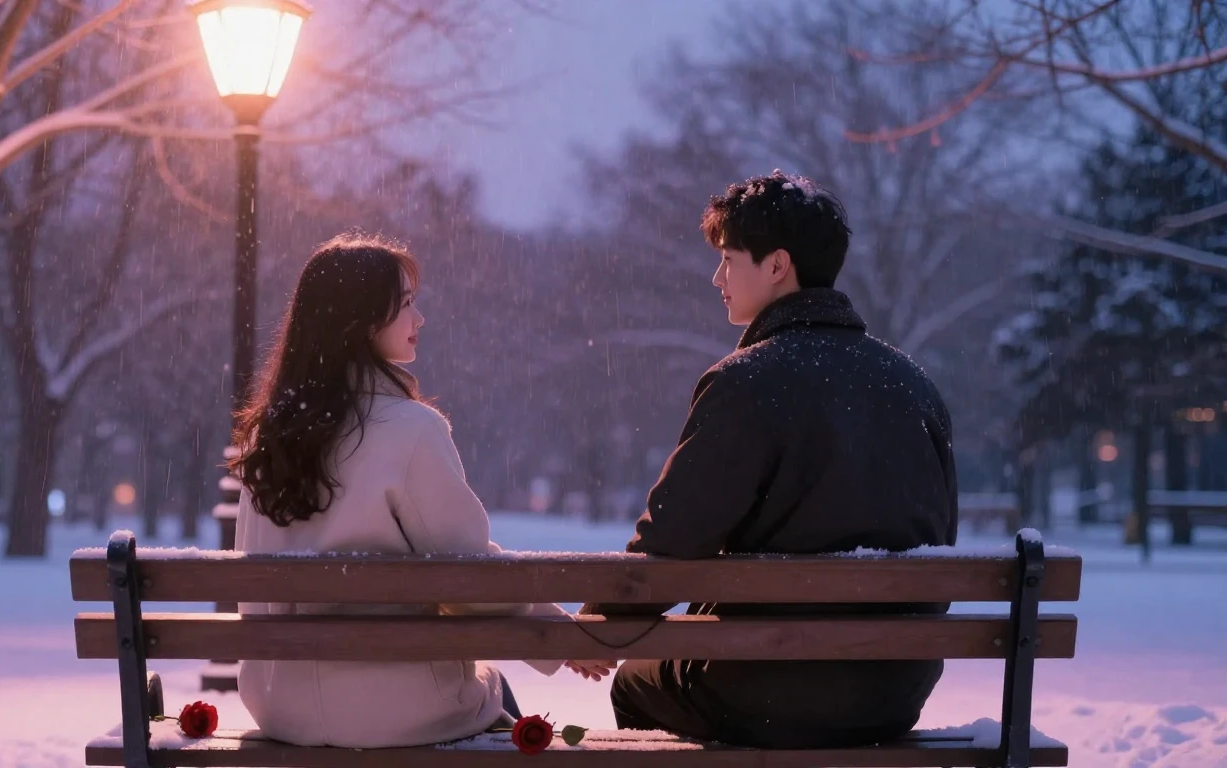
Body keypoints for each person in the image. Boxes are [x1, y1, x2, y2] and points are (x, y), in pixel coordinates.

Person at [579, 171, 959, 749]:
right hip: (892, 690)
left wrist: (604, 619)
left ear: (778, 265)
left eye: (729, 259)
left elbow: (675, 538)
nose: (718, 278)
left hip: (761, 684)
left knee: (636, 684)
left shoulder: (747, 382)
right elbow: (938, 533)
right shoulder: (912, 384)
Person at [230, 234, 613, 749]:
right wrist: (558, 636)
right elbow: (471, 579)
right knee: (492, 691)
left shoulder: (267, 435)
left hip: (281, 707)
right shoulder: (411, 430)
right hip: (392, 709)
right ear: (363, 321)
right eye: (406, 303)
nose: (421, 318)